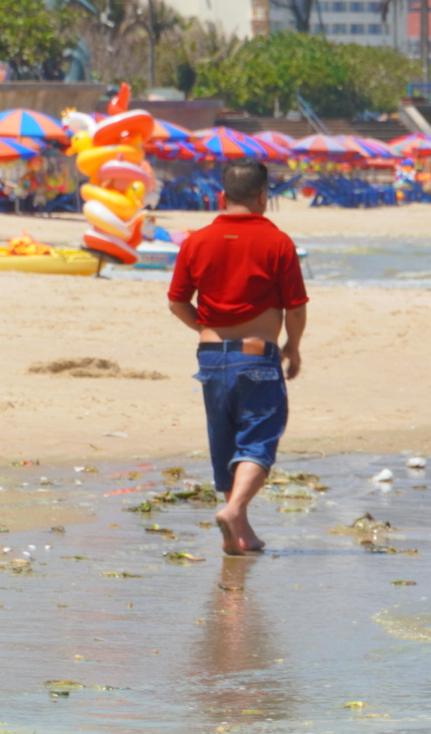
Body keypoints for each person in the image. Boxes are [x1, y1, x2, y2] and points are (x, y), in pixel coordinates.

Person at [167, 159, 308, 556]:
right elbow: (295, 308)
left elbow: (177, 302)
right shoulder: (277, 241)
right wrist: (293, 347)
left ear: (222, 196)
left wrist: (206, 331)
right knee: (258, 441)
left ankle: (240, 531)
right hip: (256, 356)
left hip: (211, 357)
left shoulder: (196, 241)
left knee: (225, 441)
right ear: (264, 196)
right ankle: (234, 509)